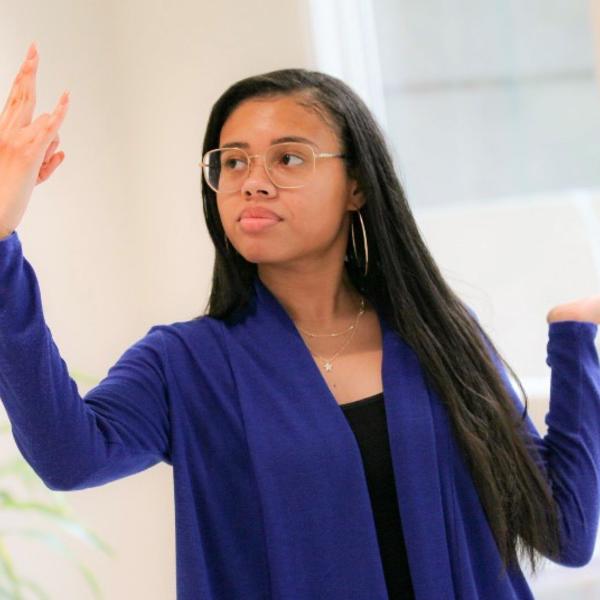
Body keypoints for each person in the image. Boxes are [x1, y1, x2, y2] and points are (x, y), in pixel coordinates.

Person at [1, 41, 600, 600]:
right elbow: (69, 458)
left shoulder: (440, 335)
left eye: (288, 158)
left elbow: (563, 532)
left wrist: (575, 341)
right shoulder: (183, 365)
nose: (252, 183)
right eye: (232, 163)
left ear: (357, 185)